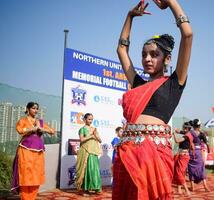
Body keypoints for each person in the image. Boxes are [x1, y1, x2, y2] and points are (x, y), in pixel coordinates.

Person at [113, 0, 193, 199]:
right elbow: (121, 50)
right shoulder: (138, 83)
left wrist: (171, 2)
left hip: (155, 154)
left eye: (154, 55)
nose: (147, 59)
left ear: (167, 59)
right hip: (129, 151)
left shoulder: (175, 82)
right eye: (144, 55)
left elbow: (188, 34)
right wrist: (129, 17)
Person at [11, 102, 55, 200]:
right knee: (25, 175)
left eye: (37, 109)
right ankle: (25, 198)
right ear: (28, 109)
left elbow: (52, 131)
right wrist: (33, 128)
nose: (35, 110)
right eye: (33, 108)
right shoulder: (23, 120)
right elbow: (20, 130)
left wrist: (41, 129)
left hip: (38, 151)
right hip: (25, 150)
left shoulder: (41, 122)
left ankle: (32, 197)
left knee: (36, 175)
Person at [75, 113, 102, 196]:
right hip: (86, 151)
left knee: (94, 170)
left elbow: (100, 140)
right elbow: (82, 140)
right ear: (85, 119)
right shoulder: (82, 129)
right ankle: (84, 189)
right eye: (89, 119)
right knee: (86, 170)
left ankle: (94, 187)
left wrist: (95, 135)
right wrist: (91, 136)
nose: (90, 121)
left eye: (91, 119)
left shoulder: (94, 129)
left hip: (93, 151)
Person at [188, 119, 211, 192]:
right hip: (198, 153)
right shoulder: (201, 134)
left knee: (191, 168)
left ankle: (192, 187)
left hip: (191, 152)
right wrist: (209, 150)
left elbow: (186, 139)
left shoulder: (190, 133)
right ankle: (205, 186)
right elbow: (206, 143)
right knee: (201, 167)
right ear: (199, 125)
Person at [173, 122, 193, 196]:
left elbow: (177, 141)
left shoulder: (186, 136)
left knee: (179, 173)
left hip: (183, 156)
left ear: (187, 128)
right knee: (179, 171)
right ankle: (179, 190)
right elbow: (181, 132)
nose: (183, 129)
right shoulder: (189, 134)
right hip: (183, 155)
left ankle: (187, 191)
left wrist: (174, 134)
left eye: (184, 128)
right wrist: (178, 131)